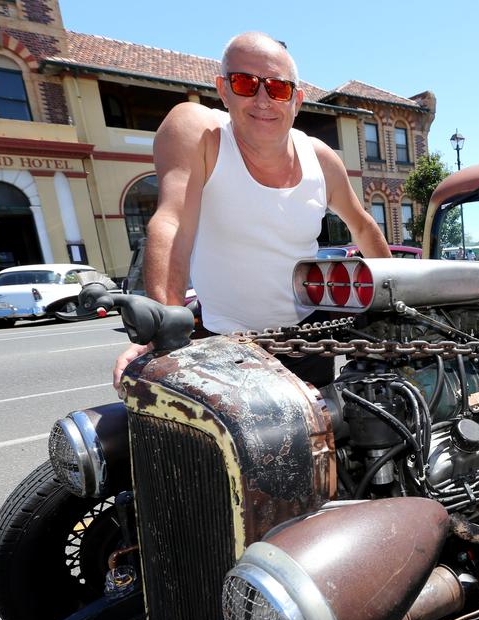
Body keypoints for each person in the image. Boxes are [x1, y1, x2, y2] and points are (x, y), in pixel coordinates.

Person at [113, 31, 390, 392]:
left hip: (309, 340)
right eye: (246, 83)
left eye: (277, 88)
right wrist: (162, 327)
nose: (263, 99)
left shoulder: (320, 159)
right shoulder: (199, 132)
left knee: (326, 439)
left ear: (296, 100)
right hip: (226, 347)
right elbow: (173, 223)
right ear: (223, 89)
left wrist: (401, 301)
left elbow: (364, 228)